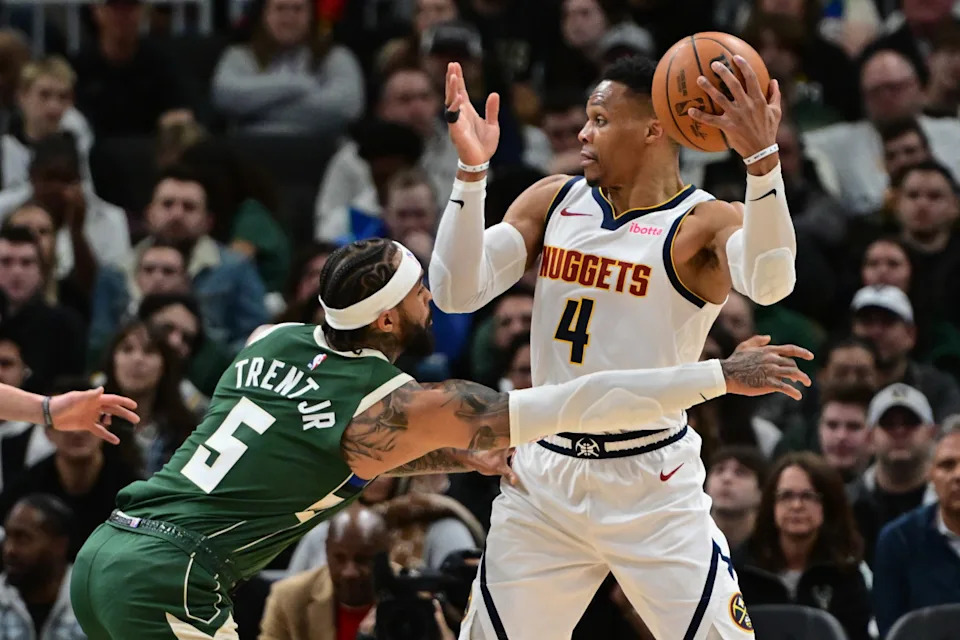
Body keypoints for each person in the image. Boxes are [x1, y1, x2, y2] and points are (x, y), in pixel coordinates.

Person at [69, 237, 811, 640]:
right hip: (173, 576)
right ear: (389, 318)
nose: (433, 299)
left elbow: (321, 444)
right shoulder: (402, 400)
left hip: (110, 550)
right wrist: (717, 374)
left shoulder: (272, 337)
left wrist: (455, 453)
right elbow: (581, 401)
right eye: (422, 290)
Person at [431, 52, 797, 639]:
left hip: (651, 480)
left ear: (654, 128)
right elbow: (454, 291)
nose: (582, 133)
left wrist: (761, 161)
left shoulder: (703, 222)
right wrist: (471, 174)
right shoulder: (553, 200)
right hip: (543, 478)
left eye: (600, 120)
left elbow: (771, 282)